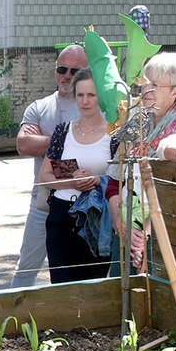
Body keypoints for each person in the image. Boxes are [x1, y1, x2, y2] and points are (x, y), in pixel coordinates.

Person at [106, 52, 176, 273]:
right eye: (145, 81)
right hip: (125, 229)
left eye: (155, 85)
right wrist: (119, 220)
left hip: (163, 238)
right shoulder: (134, 123)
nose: (145, 89)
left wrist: (146, 230)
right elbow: (113, 180)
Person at [11, 45, 89, 288]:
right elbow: (23, 145)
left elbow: (93, 158)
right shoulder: (39, 107)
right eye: (62, 69)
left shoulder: (95, 107)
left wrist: (47, 147)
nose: (67, 76)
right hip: (43, 204)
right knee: (26, 271)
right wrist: (67, 142)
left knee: (79, 274)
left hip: (84, 206)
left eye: (74, 71)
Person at [39, 68, 114, 283]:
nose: (85, 101)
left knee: (92, 284)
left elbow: (122, 178)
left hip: (96, 216)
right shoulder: (63, 131)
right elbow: (45, 176)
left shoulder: (114, 134)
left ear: (102, 97)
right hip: (61, 216)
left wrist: (97, 180)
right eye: (80, 95)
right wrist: (73, 181)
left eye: (91, 95)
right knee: (62, 285)